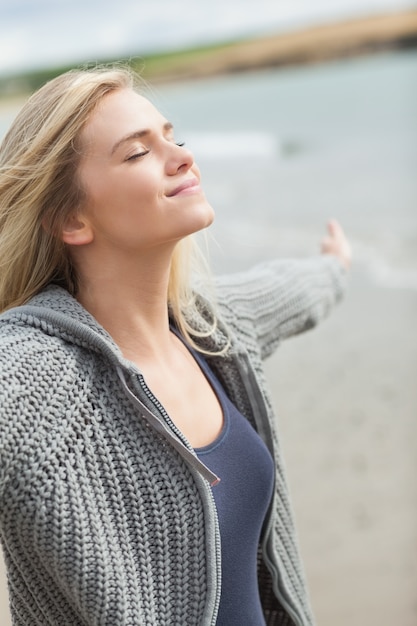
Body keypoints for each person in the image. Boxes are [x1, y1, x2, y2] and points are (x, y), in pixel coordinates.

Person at [0, 66, 351, 626]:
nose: (182, 156)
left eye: (174, 137)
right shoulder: (37, 377)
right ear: (71, 219)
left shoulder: (210, 328)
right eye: (138, 153)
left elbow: (291, 291)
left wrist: (334, 267)